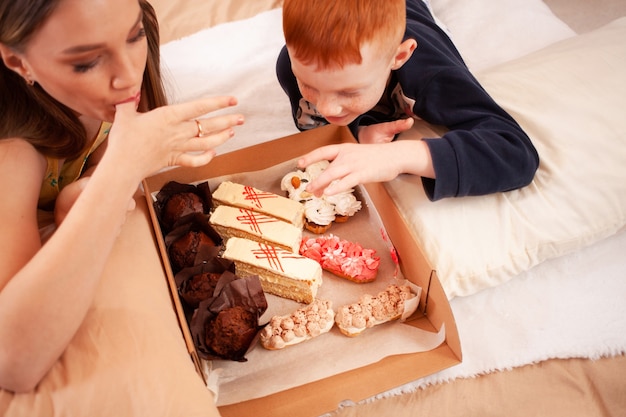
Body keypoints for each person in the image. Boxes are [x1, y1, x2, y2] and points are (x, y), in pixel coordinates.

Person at [0, 0, 243, 393]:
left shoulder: (127, 58)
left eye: (135, 37)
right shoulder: (11, 152)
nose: (129, 77)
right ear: (18, 62)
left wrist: (93, 180)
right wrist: (121, 171)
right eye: (86, 62)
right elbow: (15, 361)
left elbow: (106, 150)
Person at [276, 0, 539, 201]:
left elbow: (516, 153)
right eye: (309, 86)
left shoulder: (432, 75)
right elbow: (317, 124)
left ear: (399, 57)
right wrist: (360, 131)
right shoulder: (291, 66)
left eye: (349, 92)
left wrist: (397, 157)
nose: (325, 107)